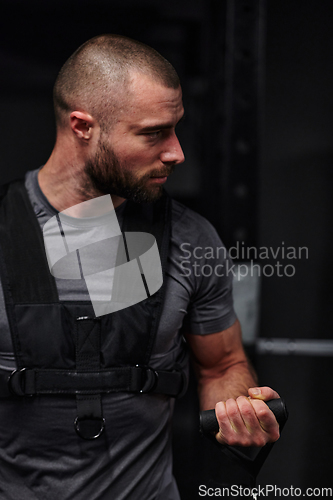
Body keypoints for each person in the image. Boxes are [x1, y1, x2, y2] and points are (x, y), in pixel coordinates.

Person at [0, 34, 280, 499]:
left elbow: (222, 365)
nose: (176, 152)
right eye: (152, 133)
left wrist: (238, 407)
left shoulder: (191, 240)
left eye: (175, 129)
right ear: (82, 126)